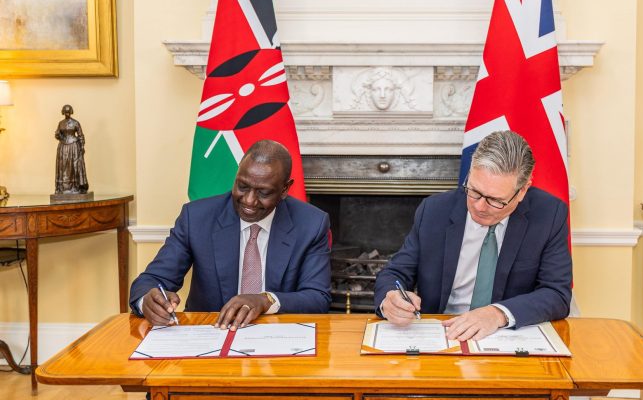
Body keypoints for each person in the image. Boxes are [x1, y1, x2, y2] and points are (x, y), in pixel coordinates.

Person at [374, 130, 572, 341]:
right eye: (474, 191)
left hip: (504, 336)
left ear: (523, 190)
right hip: (442, 333)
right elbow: (395, 273)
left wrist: (497, 314)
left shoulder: (549, 215)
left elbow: (556, 293)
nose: (479, 206)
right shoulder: (434, 210)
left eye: (495, 200)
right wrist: (390, 299)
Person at [129, 140, 331, 330]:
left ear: (285, 189)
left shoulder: (311, 224)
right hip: (210, 334)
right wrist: (147, 300)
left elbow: (317, 297)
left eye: (263, 192)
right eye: (242, 187)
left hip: (276, 337)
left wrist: (265, 300)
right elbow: (152, 279)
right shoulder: (197, 218)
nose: (249, 201)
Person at [54, 104, 89, 194]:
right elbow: (57, 134)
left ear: (71, 112)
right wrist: (58, 135)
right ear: (63, 112)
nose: (67, 113)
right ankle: (63, 188)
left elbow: (81, 136)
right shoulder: (61, 123)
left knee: (74, 166)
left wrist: (81, 146)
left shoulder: (75, 123)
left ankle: (75, 186)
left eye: (68, 112)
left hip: (74, 146)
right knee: (64, 166)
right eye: (65, 112)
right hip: (63, 146)